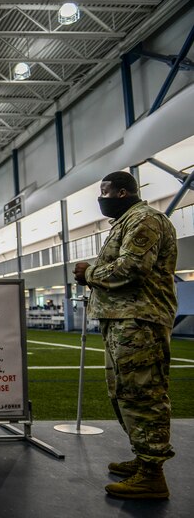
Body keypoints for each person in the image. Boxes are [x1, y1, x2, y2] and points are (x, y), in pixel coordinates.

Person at [73, 171, 177, 499]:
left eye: (103, 192)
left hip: (139, 322)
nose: (100, 198)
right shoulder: (126, 222)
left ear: (121, 193)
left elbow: (131, 268)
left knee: (142, 394)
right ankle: (143, 457)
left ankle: (152, 474)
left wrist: (89, 273)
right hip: (123, 322)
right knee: (124, 394)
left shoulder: (145, 220)